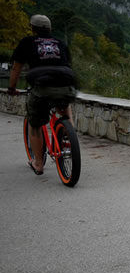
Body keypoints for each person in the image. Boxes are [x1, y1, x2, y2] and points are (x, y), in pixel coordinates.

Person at [8, 14, 77, 175]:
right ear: (50, 29)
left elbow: (16, 68)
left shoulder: (27, 42)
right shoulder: (60, 43)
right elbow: (68, 66)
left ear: (32, 28)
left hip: (42, 88)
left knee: (35, 123)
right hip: (65, 85)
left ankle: (38, 163)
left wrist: (11, 88)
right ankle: (69, 135)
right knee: (65, 105)